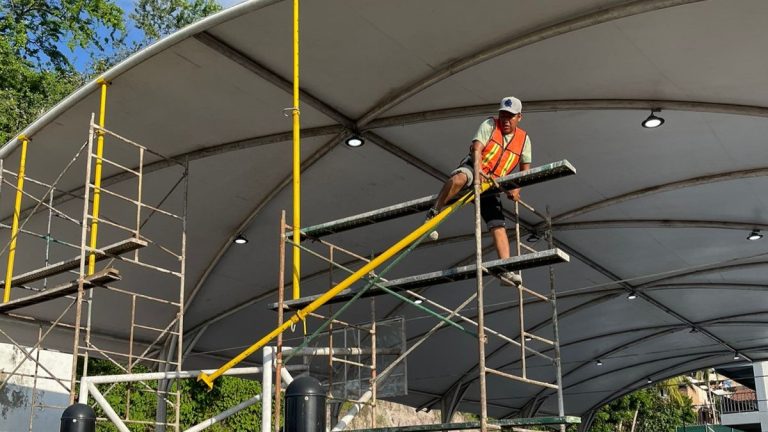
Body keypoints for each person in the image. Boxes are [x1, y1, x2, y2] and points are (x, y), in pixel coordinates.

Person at [426, 96, 532, 286]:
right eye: (503, 115)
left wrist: (516, 188)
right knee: (460, 178)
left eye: (510, 117)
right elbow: (477, 149)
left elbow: (525, 168)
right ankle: (435, 211)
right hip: (476, 170)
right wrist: (478, 171)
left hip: (492, 185)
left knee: (498, 225)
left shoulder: (524, 140)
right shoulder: (490, 124)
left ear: (519, 117)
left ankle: (505, 269)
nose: (505, 120)